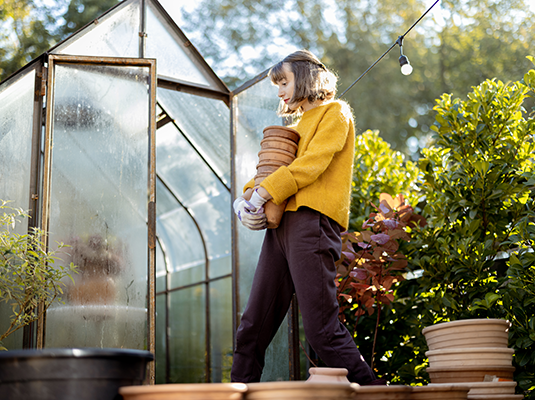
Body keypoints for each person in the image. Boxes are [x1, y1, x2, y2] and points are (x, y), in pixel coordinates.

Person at [231, 49, 379, 385]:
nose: (280, 90)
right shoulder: (295, 127)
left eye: (284, 81)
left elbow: (311, 164)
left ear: (305, 76)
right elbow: (272, 168)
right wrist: (245, 200)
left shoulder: (336, 113)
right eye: (277, 85)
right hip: (282, 228)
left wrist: (263, 193)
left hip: (311, 224)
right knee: (252, 328)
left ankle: (377, 394)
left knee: (322, 332)